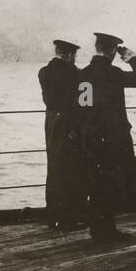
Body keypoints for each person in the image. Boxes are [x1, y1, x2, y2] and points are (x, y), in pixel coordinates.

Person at [77, 32, 136, 242]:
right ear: (112, 51)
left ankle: (98, 228)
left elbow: (84, 108)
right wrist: (133, 58)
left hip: (91, 138)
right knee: (111, 184)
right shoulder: (114, 73)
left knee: (96, 182)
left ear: (96, 48)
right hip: (114, 139)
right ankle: (106, 230)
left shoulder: (84, 74)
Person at [39, 39, 85, 229]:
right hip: (71, 125)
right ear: (70, 55)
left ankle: (53, 216)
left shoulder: (44, 72)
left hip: (52, 123)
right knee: (73, 171)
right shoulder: (76, 74)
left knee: (54, 169)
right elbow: (86, 102)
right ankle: (68, 218)